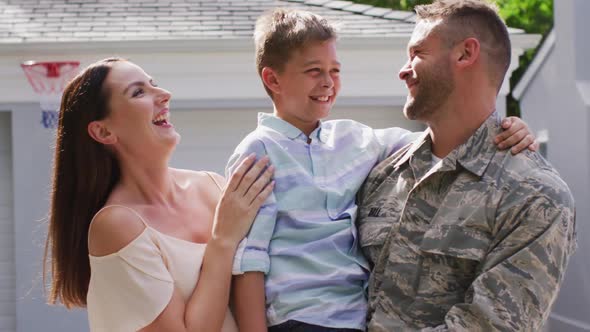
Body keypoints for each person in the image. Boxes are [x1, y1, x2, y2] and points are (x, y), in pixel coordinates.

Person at [228, 8, 538, 332]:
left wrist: (506, 127)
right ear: (273, 79)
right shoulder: (258, 152)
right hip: (295, 320)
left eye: (335, 70)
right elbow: (250, 259)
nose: (328, 82)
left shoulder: (354, 139)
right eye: (313, 71)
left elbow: (442, 138)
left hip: (356, 321)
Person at [356, 1, 577, 331]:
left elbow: (489, 326)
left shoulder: (535, 196)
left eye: (417, 52)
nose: (403, 70)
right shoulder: (382, 175)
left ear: (465, 54)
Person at [43, 58, 274, 331]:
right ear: (104, 131)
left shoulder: (214, 187)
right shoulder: (117, 226)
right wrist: (222, 241)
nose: (165, 95)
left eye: (154, 85)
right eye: (139, 92)